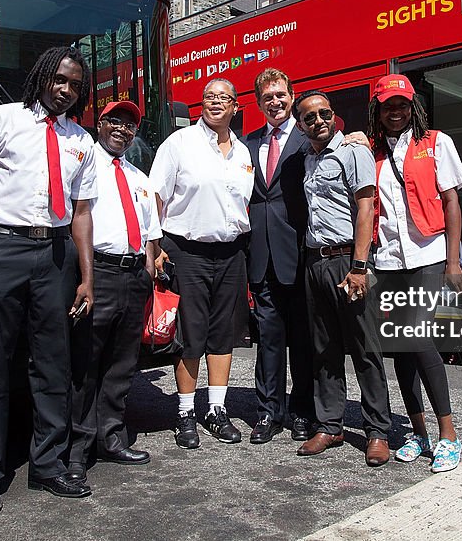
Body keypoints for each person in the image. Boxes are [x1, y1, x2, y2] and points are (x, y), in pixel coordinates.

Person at [0, 46, 97, 514]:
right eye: (59, 79)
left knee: (54, 365)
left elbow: (82, 213)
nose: (66, 90)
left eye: (75, 84)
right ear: (41, 77)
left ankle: (48, 466)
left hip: (55, 254)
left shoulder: (82, 142)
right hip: (3, 248)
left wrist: (86, 277)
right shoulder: (1, 119)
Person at [367, 74, 462, 474]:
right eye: (388, 105)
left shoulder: (436, 143)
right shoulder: (370, 151)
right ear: (378, 109)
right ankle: (419, 432)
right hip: (389, 258)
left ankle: (449, 435)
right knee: (402, 348)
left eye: (402, 104)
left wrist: (453, 262)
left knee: (419, 337)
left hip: (428, 253)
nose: (396, 111)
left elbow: (451, 202)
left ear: (414, 106)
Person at [149, 77, 253, 449]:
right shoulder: (179, 144)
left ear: (235, 107)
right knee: (190, 334)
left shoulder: (243, 152)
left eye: (225, 97)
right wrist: (155, 245)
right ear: (201, 104)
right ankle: (185, 412)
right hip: (186, 251)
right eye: (210, 97)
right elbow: (155, 196)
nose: (216, 103)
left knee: (223, 333)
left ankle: (216, 410)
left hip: (230, 253)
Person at [293, 90, 393, 467]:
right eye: (309, 117)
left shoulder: (353, 151)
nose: (318, 120)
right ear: (301, 125)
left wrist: (359, 266)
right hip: (314, 263)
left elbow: (366, 208)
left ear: (334, 116)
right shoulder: (307, 157)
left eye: (324, 113)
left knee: (365, 349)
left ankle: (378, 431)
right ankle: (330, 424)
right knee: (324, 350)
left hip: (348, 262)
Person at [66, 99, 161, 482]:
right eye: (115, 122)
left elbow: (151, 233)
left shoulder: (139, 178)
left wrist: (150, 267)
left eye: (130, 125)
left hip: (134, 275)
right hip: (98, 273)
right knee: (85, 366)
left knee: (123, 365)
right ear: (99, 124)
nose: (122, 129)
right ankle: (76, 449)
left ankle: (111, 437)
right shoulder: (83, 165)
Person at [243, 68, 314, 444]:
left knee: (302, 341)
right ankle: (269, 412)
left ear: (291, 96)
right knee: (269, 341)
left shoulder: (308, 139)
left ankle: (303, 411)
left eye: (281, 95)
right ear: (259, 103)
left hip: (299, 253)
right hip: (261, 256)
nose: (275, 102)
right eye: (268, 97)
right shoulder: (247, 143)